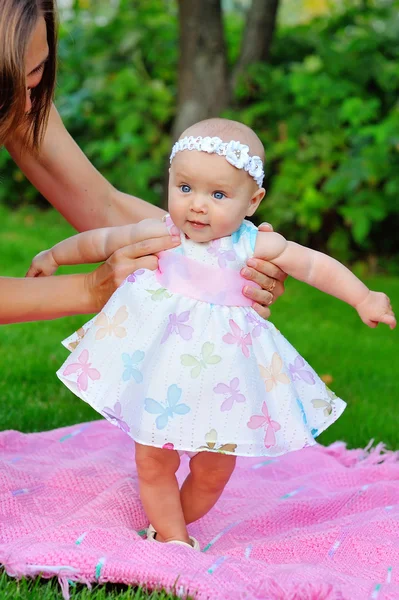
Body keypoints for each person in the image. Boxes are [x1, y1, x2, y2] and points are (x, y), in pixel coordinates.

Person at [29, 118, 396, 551]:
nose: (197, 206)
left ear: (253, 200)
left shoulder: (255, 245)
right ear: (170, 181)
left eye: (218, 195)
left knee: (214, 469)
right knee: (153, 458)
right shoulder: (162, 232)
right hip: (162, 367)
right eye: (185, 188)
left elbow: (315, 266)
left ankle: (169, 525)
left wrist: (362, 296)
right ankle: (173, 539)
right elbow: (102, 240)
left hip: (226, 381)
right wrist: (55, 254)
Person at [0, 0, 285, 325]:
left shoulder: (24, 103)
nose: (24, 104)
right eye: (3, 87)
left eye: (35, 72)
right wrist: (89, 289)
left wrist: (219, 254)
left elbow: (101, 205)